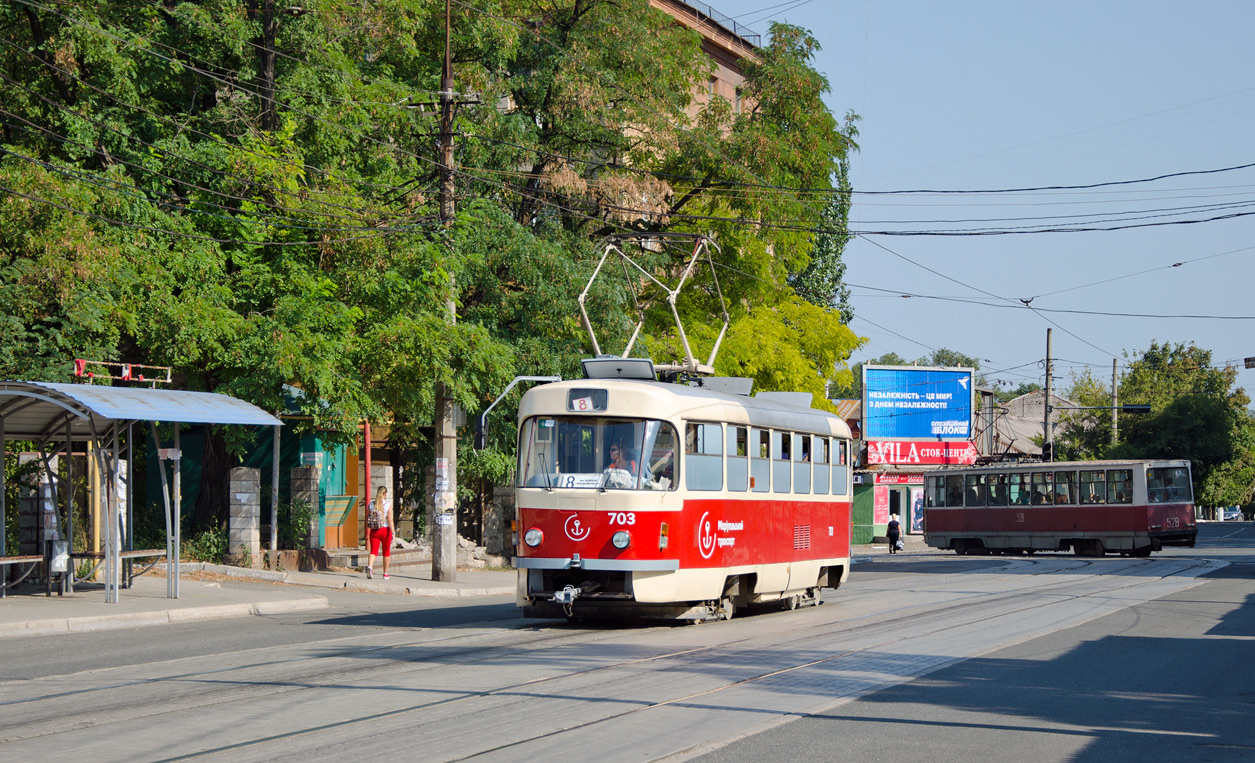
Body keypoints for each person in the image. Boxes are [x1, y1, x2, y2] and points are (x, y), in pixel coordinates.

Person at [365, 485, 394, 580]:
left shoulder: (371, 505)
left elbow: (367, 517)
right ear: (385, 494)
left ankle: (370, 566)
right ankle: (385, 573)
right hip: (385, 530)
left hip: (374, 530)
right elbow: (390, 520)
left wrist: (368, 530)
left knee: (373, 551)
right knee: (386, 552)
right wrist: (393, 532)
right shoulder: (387, 505)